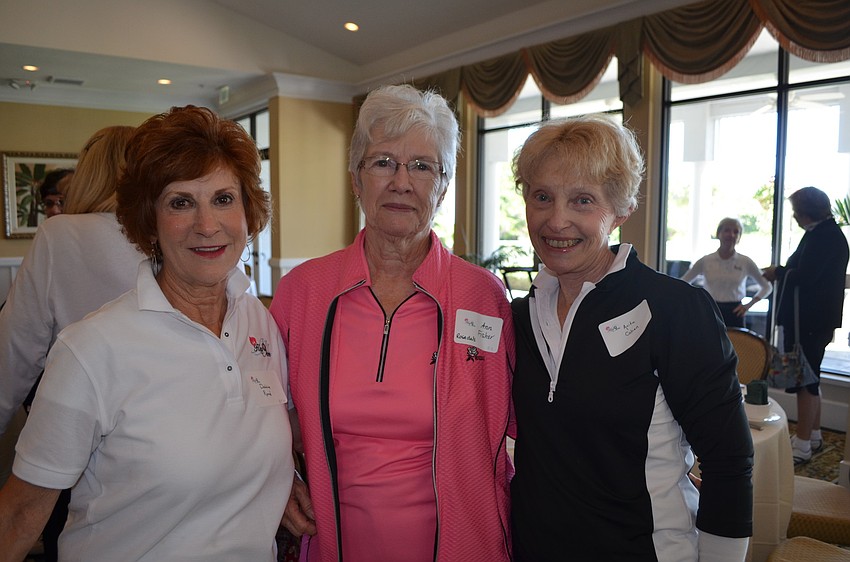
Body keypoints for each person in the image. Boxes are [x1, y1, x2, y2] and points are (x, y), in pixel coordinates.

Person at [0, 106, 294, 560]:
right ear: (149, 222)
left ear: (248, 212)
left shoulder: (259, 323)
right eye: (181, 203)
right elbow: (18, 517)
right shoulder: (91, 349)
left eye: (223, 199)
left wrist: (286, 481)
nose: (207, 225)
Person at [270, 84, 515, 562]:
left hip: (463, 546)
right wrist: (280, 477)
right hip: (335, 543)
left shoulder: (483, 297)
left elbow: (535, 423)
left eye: (422, 166)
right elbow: (261, 413)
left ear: (444, 186)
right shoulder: (304, 292)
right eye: (383, 162)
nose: (402, 182)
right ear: (356, 179)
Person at [509, 115, 753, 561]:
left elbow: (728, 462)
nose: (556, 220)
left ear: (620, 211)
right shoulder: (519, 317)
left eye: (583, 200)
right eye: (542, 197)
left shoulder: (675, 310)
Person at [0, 126, 139, 561]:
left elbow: (16, 351)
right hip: (158, 430)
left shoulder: (61, 235)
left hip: (75, 431)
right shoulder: (168, 235)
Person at [762, 186, 849, 465]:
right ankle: (813, 435)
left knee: (804, 380)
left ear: (807, 211)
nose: (795, 217)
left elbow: (806, 276)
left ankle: (801, 444)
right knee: (812, 377)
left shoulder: (825, 237)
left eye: (797, 212)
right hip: (815, 319)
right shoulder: (825, 234)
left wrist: (778, 272)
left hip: (809, 321)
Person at [681, 217, 772, 328]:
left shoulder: (745, 262)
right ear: (719, 234)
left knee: (736, 340)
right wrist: (695, 303)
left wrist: (748, 305)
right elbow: (683, 283)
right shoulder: (706, 260)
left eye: (736, 232)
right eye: (727, 230)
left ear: (739, 237)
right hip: (710, 311)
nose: (731, 235)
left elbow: (767, 287)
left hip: (735, 312)